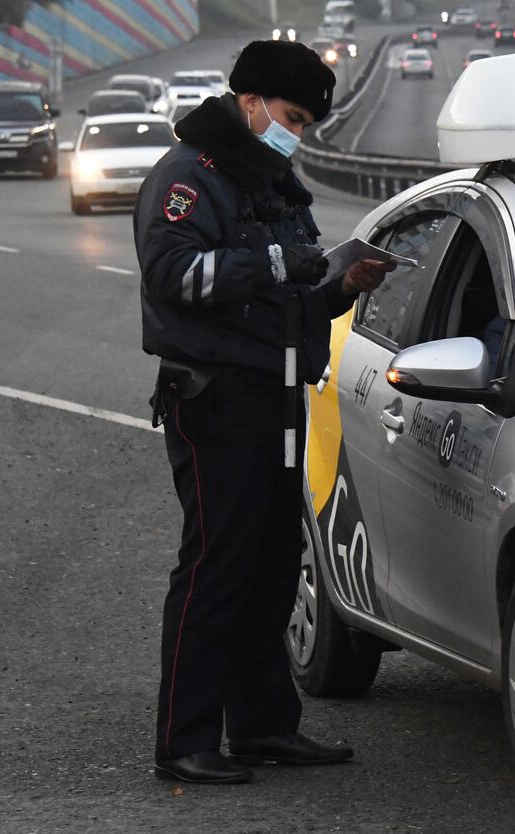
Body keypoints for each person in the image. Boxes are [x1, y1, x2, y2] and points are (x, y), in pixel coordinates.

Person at [133, 40, 393, 785]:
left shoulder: (267, 180)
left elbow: (291, 297)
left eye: (308, 124)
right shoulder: (191, 177)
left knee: (275, 564)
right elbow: (173, 273)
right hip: (216, 400)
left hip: (277, 393)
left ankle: (262, 726)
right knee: (217, 565)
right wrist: (281, 263)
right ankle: (185, 740)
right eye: (291, 117)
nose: (296, 134)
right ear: (248, 102)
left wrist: (343, 283)